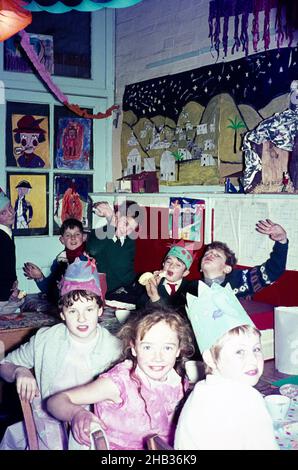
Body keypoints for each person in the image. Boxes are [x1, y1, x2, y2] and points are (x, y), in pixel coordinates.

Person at [0, 257, 122, 450]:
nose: (82, 318)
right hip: (48, 437)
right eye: (73, 311)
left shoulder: (115, 349)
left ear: (100, 310)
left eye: (89, 309)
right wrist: (19, 372)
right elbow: (4, 365)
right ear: (62, 313)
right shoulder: (45, 340)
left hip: (96, 438)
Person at [47, 307, 195, 450]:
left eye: (167, 348)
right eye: (148, 347)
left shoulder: (177, 379)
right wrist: (77, 414)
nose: (158, 357)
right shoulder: (119, 383)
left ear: (178, 350)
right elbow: (56, 401)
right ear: (134, 348)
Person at [174, 282, 279, 450]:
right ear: (209, 358)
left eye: (256, 349)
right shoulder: (249, 400)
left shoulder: (200, 391)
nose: (252, 359)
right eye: (239, 352)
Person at [200, 219, 288, 298]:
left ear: (227, 268)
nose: (209, 255)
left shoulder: (240, 280)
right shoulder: (194, 288)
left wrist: (282, 242)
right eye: (207, 254)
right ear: (200, 267)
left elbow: (273, 270)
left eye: (217, 255)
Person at [22, 218, 87, 314]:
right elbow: (50, 289)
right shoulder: (60, 260)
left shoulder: (88, 258)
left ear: (84, 237)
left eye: (77, 234)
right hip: (65, 306)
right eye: (68, 235)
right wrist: (39, 277)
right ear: (62, 240)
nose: (73, 237)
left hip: (83, 305)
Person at [87, 200, 142, 303]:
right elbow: (93, 249)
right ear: (117, 216)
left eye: (132, 228)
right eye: (126, 223)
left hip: (124, 290)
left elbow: (125, 269)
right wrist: (111, 223)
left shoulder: (130, 240)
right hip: (101, 292)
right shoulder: (99, 233)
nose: (127, 230)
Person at [137, 243, 198, 314]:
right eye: (168, 262)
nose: (171, 266)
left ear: (185, 273)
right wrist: (152, 288)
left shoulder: (191, 288)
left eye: (178, 265)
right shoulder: (153, 283)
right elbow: (140, 309)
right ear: (163, 265)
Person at [0, 188, 24, 315]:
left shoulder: (6, 232)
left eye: (10, 207)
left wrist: (14, 284)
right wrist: (9, 292)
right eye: (3, 213)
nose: (10, 213)